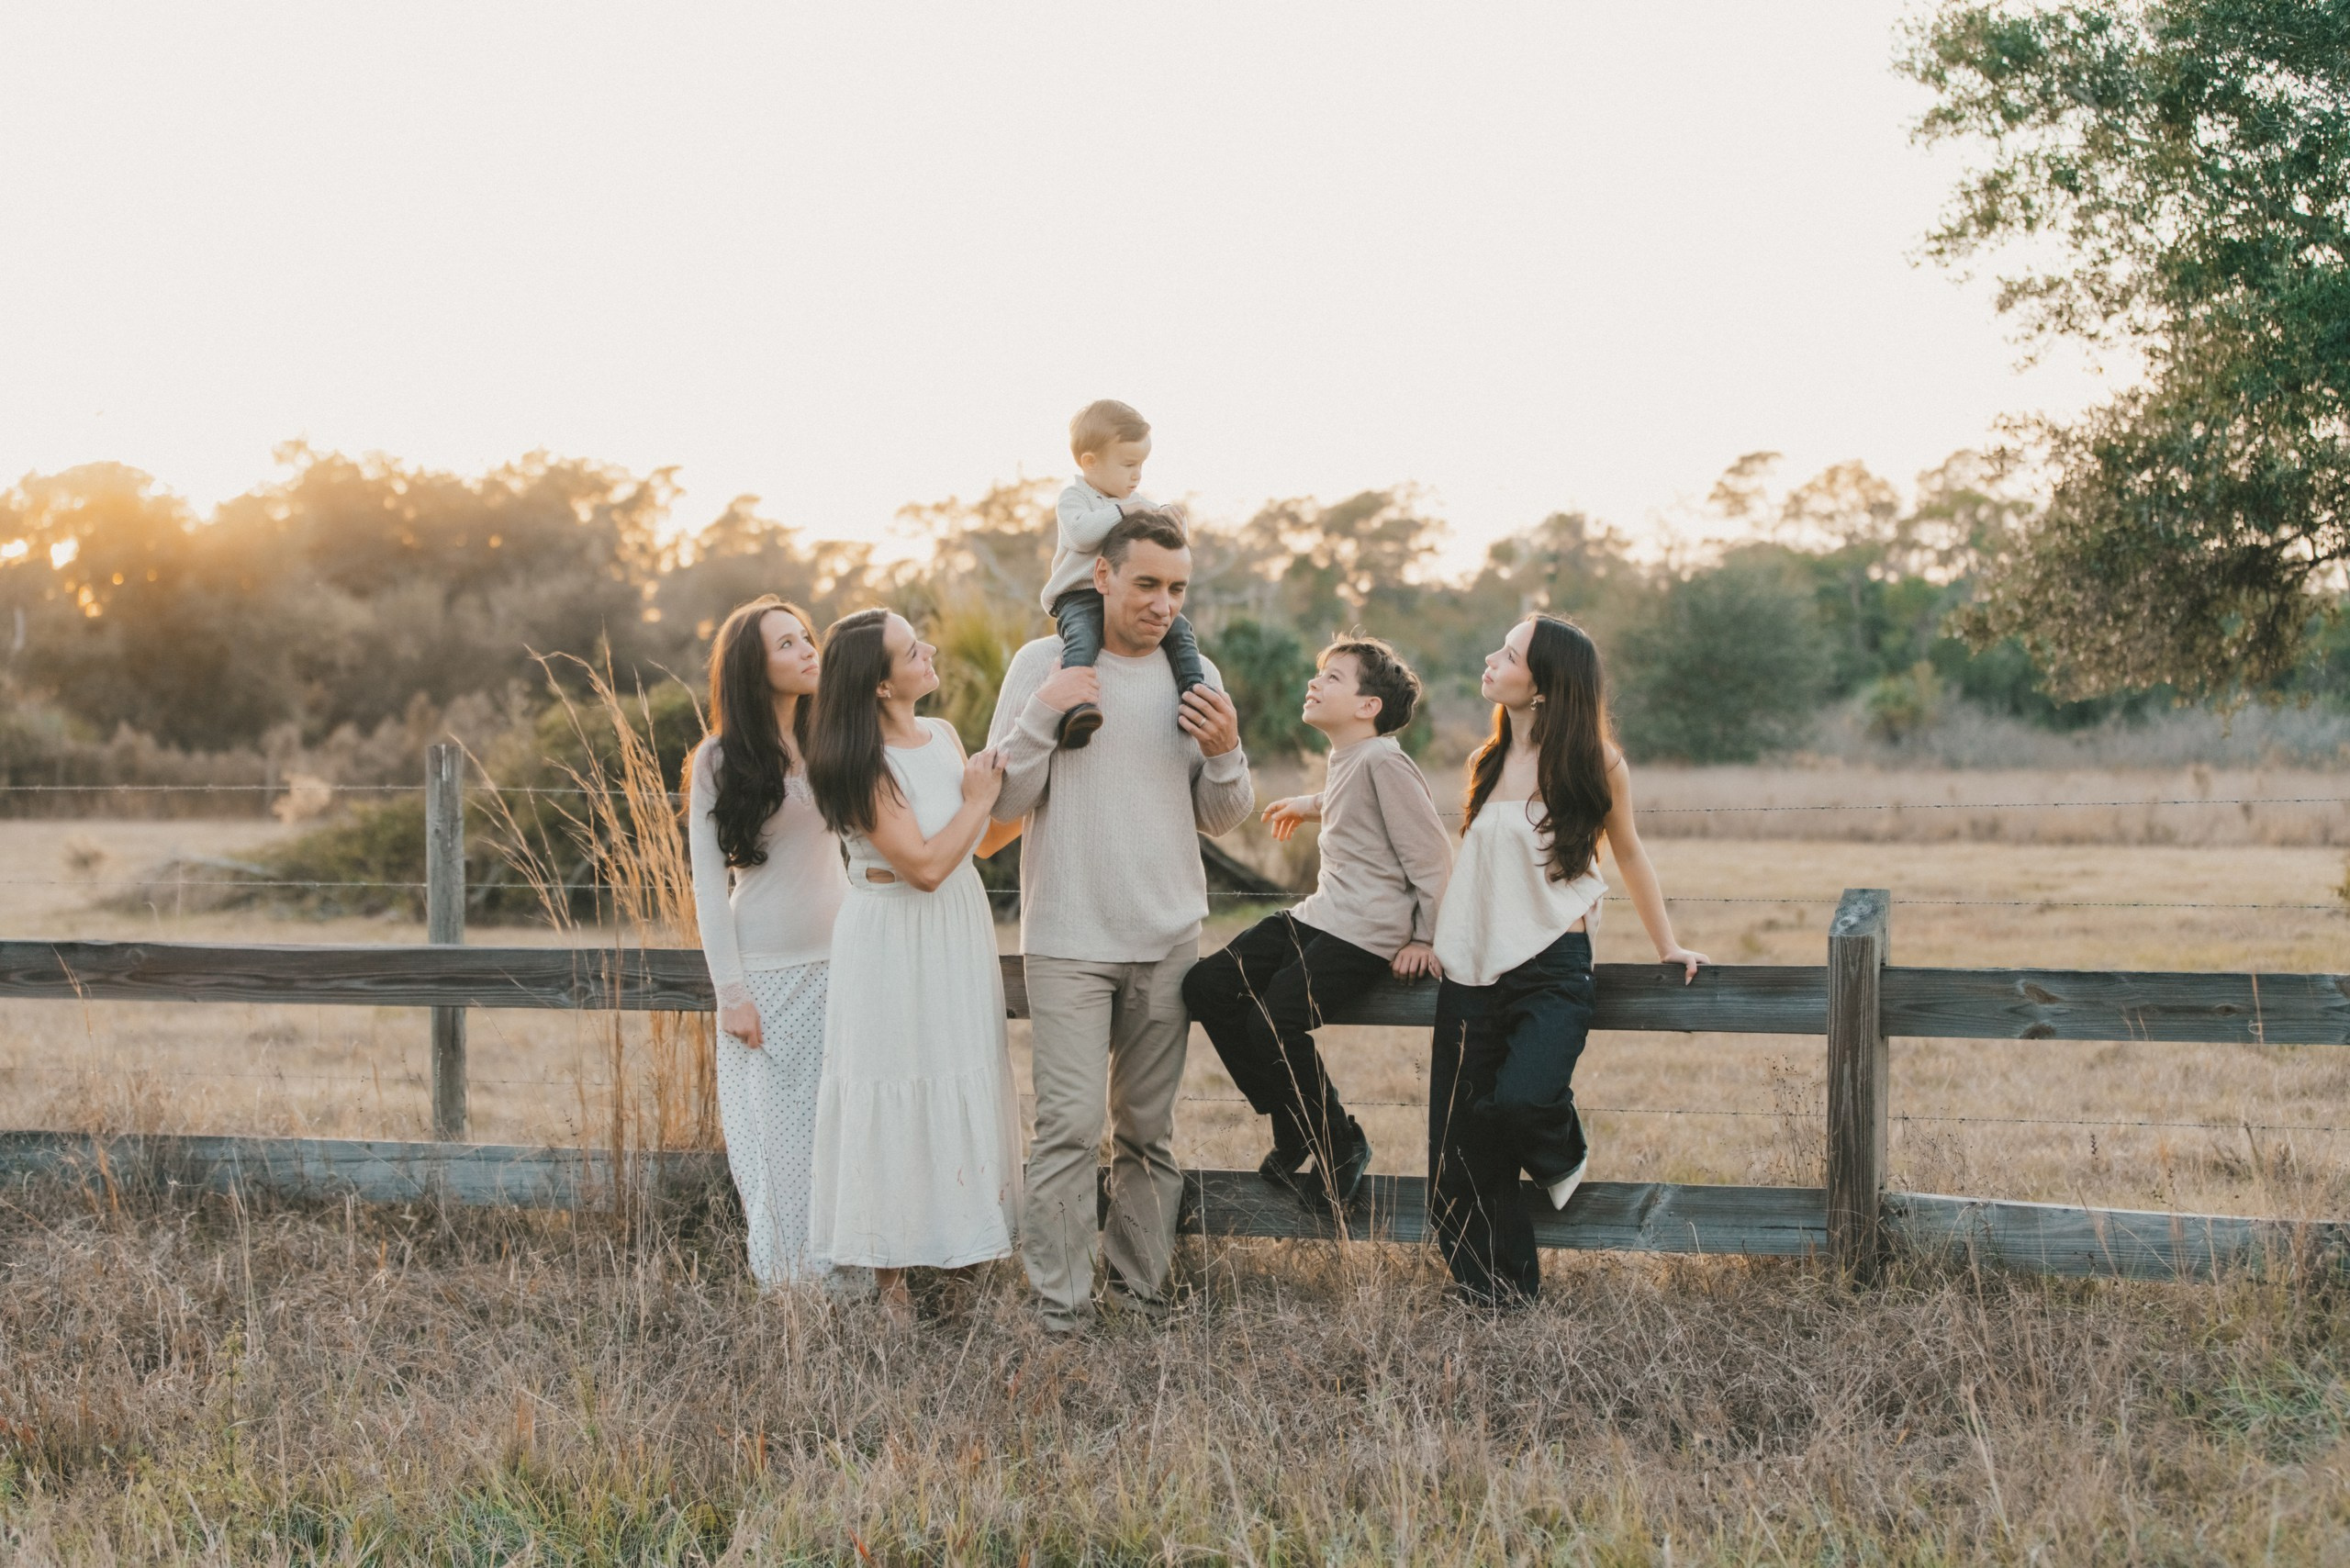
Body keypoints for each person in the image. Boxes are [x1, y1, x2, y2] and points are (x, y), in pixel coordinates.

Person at [986, 510, 1253, 1334]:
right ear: (1101, 577)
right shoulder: (1043, 663)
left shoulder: (1193, 669)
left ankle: (1140, 1300)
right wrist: (1044, 717)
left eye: (1177, 588)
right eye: (1147, 584)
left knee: (1148, 1132)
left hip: (1168, 938)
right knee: (1066, 1129)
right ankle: (1059, 1311)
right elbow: (998, 802)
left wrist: (1228, 748)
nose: (1164, 603)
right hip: (1069, 937)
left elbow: (1222, 817)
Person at [1427, 614, 1708, 1307]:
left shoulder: (1597, 763)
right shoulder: (1484, 762)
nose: (1491, 659)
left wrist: (1666, 944)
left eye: (1510, 654)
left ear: (1546, 685)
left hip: (1554, 963)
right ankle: (1497, 1298)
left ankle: (1563, 1153)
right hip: (1471, 971)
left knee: (1522, 1101)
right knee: (1457, 1158)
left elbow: (1631, 851)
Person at [802, 609, 1024, 1322]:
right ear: (877, 685)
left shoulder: (946, 736)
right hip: (893, 933)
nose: (929, 649)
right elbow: (924, 865)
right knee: (893, 1083)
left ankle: (962, 1255)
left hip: (957, 928)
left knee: (959, 1069)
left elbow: (980, 844)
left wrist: (1031, 780)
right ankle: (891, 1284)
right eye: (910, 649)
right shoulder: (855, 763)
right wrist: (981, 799)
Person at [1184, 635, 1452, 1209]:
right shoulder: (1354, 758)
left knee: (1271, 1023)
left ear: (1368, 706)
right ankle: (1294, 1123)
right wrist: (1312, 802)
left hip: (1363, 932)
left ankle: (1338, 1143)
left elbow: (1432, 857)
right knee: (1206, 986)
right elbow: (1352, 796)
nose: (1315, 682)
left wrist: (1427, 937)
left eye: (1334, 678)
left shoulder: (1385, 759)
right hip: (1322, 914)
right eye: (1319, 674)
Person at [686, 597, 851, 1289]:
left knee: (837, 1129)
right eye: (788, 644)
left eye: (807, 637)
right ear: (756, 669)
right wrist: (732, 994)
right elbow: (705, 885)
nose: (809, 650)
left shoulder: (835, 740)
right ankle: (794, 1288)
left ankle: (853, 1276)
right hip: (768, 973)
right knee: (777, 1143)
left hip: (844, 964)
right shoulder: (720, 759)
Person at [1039, 398, 1208, 749]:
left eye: (1142, 465)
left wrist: (1175, 519)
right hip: (1081, 596)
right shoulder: (1075, 498)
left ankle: (1194, 694)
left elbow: (1170, 544)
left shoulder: (1136, 502)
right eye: (1129, 464)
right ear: (1091, 462)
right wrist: (1124, 510)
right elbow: (1081, 535)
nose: (1137, 475)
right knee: (1083, 640)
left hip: (1123, 598)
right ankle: (1076, 709)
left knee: (1180, 630)